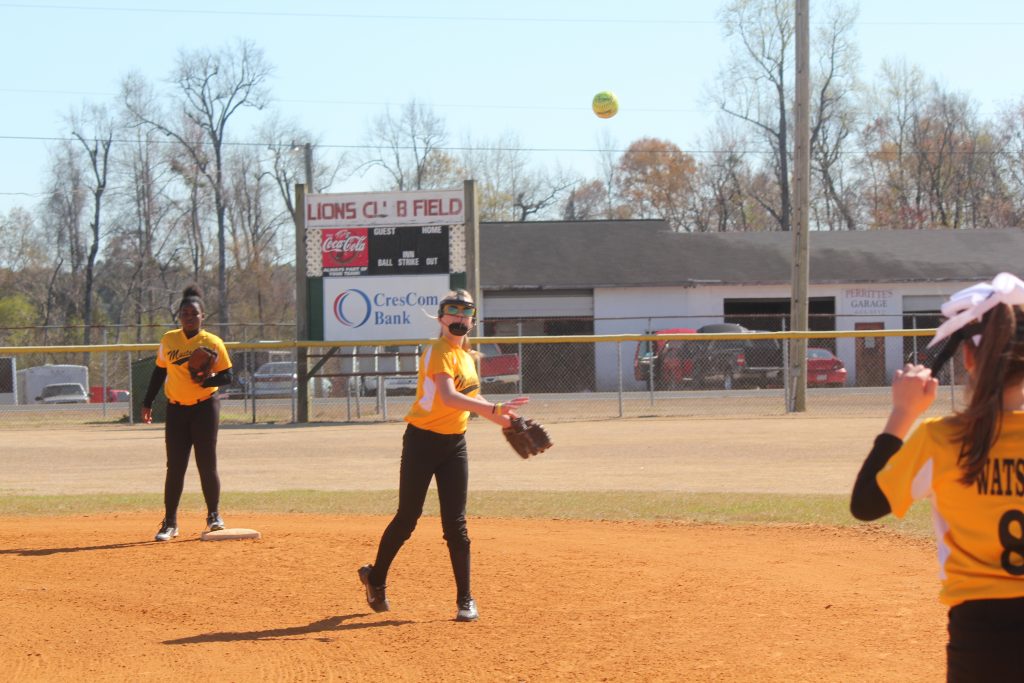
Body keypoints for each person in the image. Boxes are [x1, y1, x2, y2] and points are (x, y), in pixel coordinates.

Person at [851, 272, 1024, 681]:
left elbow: (866, 504)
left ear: (967, 359)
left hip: (979, 635)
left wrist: (903, 413)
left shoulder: (943, 439)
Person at [358, 289, 529, 622]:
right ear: (441, 318)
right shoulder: (437, 351)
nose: (461, 317)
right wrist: (494, 408)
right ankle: (375, 577)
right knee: (407, 518)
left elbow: (473, 404)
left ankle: (465, 599)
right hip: (422, 442)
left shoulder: (468, 357)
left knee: (457, 525)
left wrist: (506, 420)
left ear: (472, 320)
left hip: (455, 445)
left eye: (467, 312)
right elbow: (450, 398)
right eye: (454, 311)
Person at [141, 285, 233, 542]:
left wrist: (207, 379)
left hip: (205, 407)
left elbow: (229, 376)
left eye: (193, 313)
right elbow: (160, 371)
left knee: (207, 463)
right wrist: (147, 401)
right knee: (175, 466)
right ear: (179, 316)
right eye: (184, 313)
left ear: (203, 316)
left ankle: (214, 516)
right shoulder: (169, 340)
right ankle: (170, 522)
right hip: (176, 409)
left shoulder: (213, 342)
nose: (188, 317)